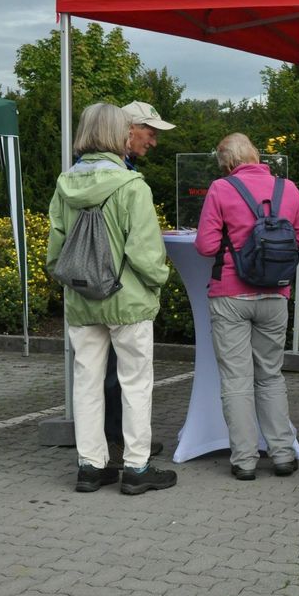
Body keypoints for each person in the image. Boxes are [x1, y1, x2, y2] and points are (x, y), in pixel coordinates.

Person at [46, 103, 174, 494]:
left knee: (86, 383)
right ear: (119, 134)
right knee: (135, 383)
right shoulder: (132, 186)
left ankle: (90, 466)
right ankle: (136, 467)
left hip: (82, 299)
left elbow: (55, 252)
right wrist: (160, 280)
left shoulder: (65, 185)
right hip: (128, 300)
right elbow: (145, 253)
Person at [194, 133, 299, 480]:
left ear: (227, 164)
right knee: (271, 376)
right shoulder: (286, 188)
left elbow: (205, 246)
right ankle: (282, 454)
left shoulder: (221, 188)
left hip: (230, 295)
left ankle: (245, 460)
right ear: (255, 155)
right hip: (275, 294)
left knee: (236, 379)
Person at [102, 100, 176, 468]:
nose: (154, 141)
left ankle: (114, 448)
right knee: (124, 377)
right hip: (121, 291)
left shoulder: (91, 170)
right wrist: (160, 276)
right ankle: (123, 450)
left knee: (107, 375)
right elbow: (136, 246)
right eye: (150, 132)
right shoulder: (124, 178)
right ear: (129, 129)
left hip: (95, 288)